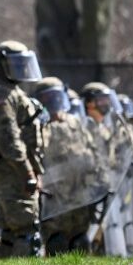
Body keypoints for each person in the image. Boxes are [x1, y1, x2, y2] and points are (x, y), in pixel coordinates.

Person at [0, 41, 45, 258]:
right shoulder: (2, 95)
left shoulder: (12, 92)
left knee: (12, 229)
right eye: (17, 63)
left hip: (14, 169)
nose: (23, 68)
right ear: (3, 65)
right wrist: (26, 172)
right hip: (11, 171)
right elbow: (8, 139)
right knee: (26, 228)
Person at [35, 77, 95, 255]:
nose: (53, 101)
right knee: (57, 242)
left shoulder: (74, 122)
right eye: (47, 97)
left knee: (80, 241)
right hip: (53, 195)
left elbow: (89, 147)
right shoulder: (38, 125)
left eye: (56, 95)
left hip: (78, 192)